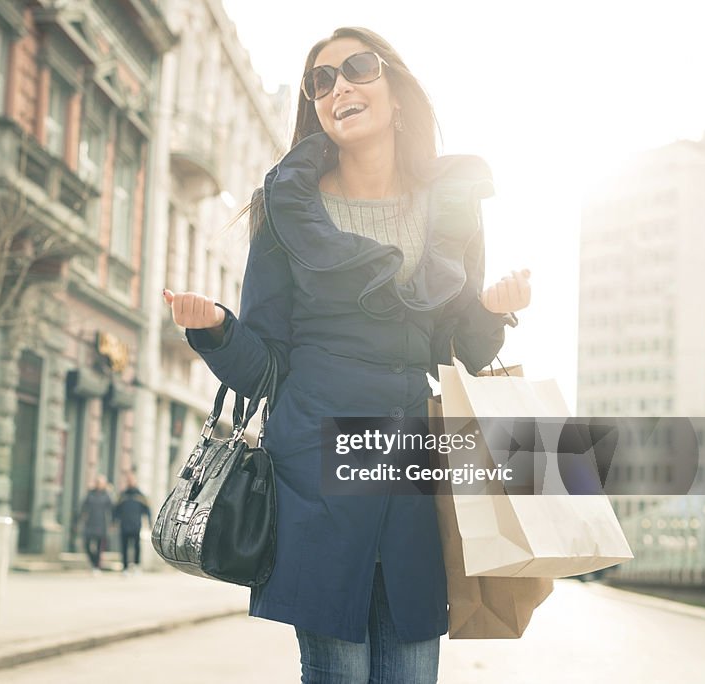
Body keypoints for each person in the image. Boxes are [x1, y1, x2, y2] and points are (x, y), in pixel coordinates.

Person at [163, 27, 531, 683]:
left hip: (413, 469)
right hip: (317, 469)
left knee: (412, 667)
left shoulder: (450, 207)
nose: (338, 87)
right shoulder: (285, 208)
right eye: (321, 80)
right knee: (338, 670)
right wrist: (217, 328)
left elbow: (464, 350)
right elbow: (266, 365)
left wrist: (494, 311)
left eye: (356, 69)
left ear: (395, 91)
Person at [113, 473, 152, 574]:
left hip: (136, 525)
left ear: (135, 482)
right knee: (124, 547)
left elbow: (147, 510)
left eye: (132, 480)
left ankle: (136, 565)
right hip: (124, 525)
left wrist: (149, 523)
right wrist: (114, 522)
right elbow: (116, 510)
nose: (130, 482)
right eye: (128, 480)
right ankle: (125, 567)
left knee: (136, 547)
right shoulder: (122, 495)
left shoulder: (140, 495)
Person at [78, 475, 113, 573]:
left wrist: (112, 524)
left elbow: (112, 509)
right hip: (90, 523)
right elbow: (83, 507)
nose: (98, 484)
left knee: (98, 547)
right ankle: (93, 562)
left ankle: (96, 566)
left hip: (101, 524)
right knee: (86, 545)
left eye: (101, 483)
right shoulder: (90, 494)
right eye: (97, 482)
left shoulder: (106, 496)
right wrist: (80, 519)